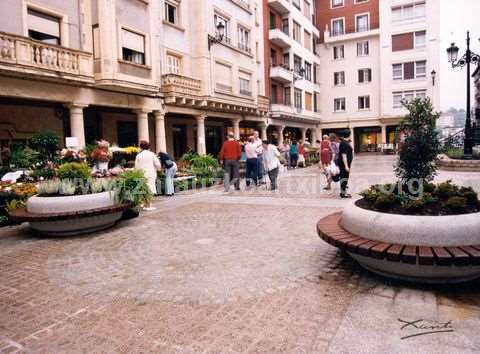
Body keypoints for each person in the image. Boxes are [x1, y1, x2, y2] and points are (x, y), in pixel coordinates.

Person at [135, 140, 162, 209]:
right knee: (150, 188)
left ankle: (143, 204)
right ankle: (148, 205)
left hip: (141, 174)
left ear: (141, 147)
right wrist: (158, 169)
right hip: (150, 173)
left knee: (143, 189)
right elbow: (158, 164)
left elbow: (136, 167)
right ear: (148, 146)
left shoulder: (138, 155)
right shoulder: (152, 154)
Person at [338, 130, 353, 198]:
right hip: (344, 164)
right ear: (349, 135)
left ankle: (343, 192)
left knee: (344, 178)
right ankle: (343, 193)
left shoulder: (345, 142)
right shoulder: (344, 143)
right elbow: (344, 155)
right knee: (344, 178)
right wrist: (346, 166)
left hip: (344, 164)